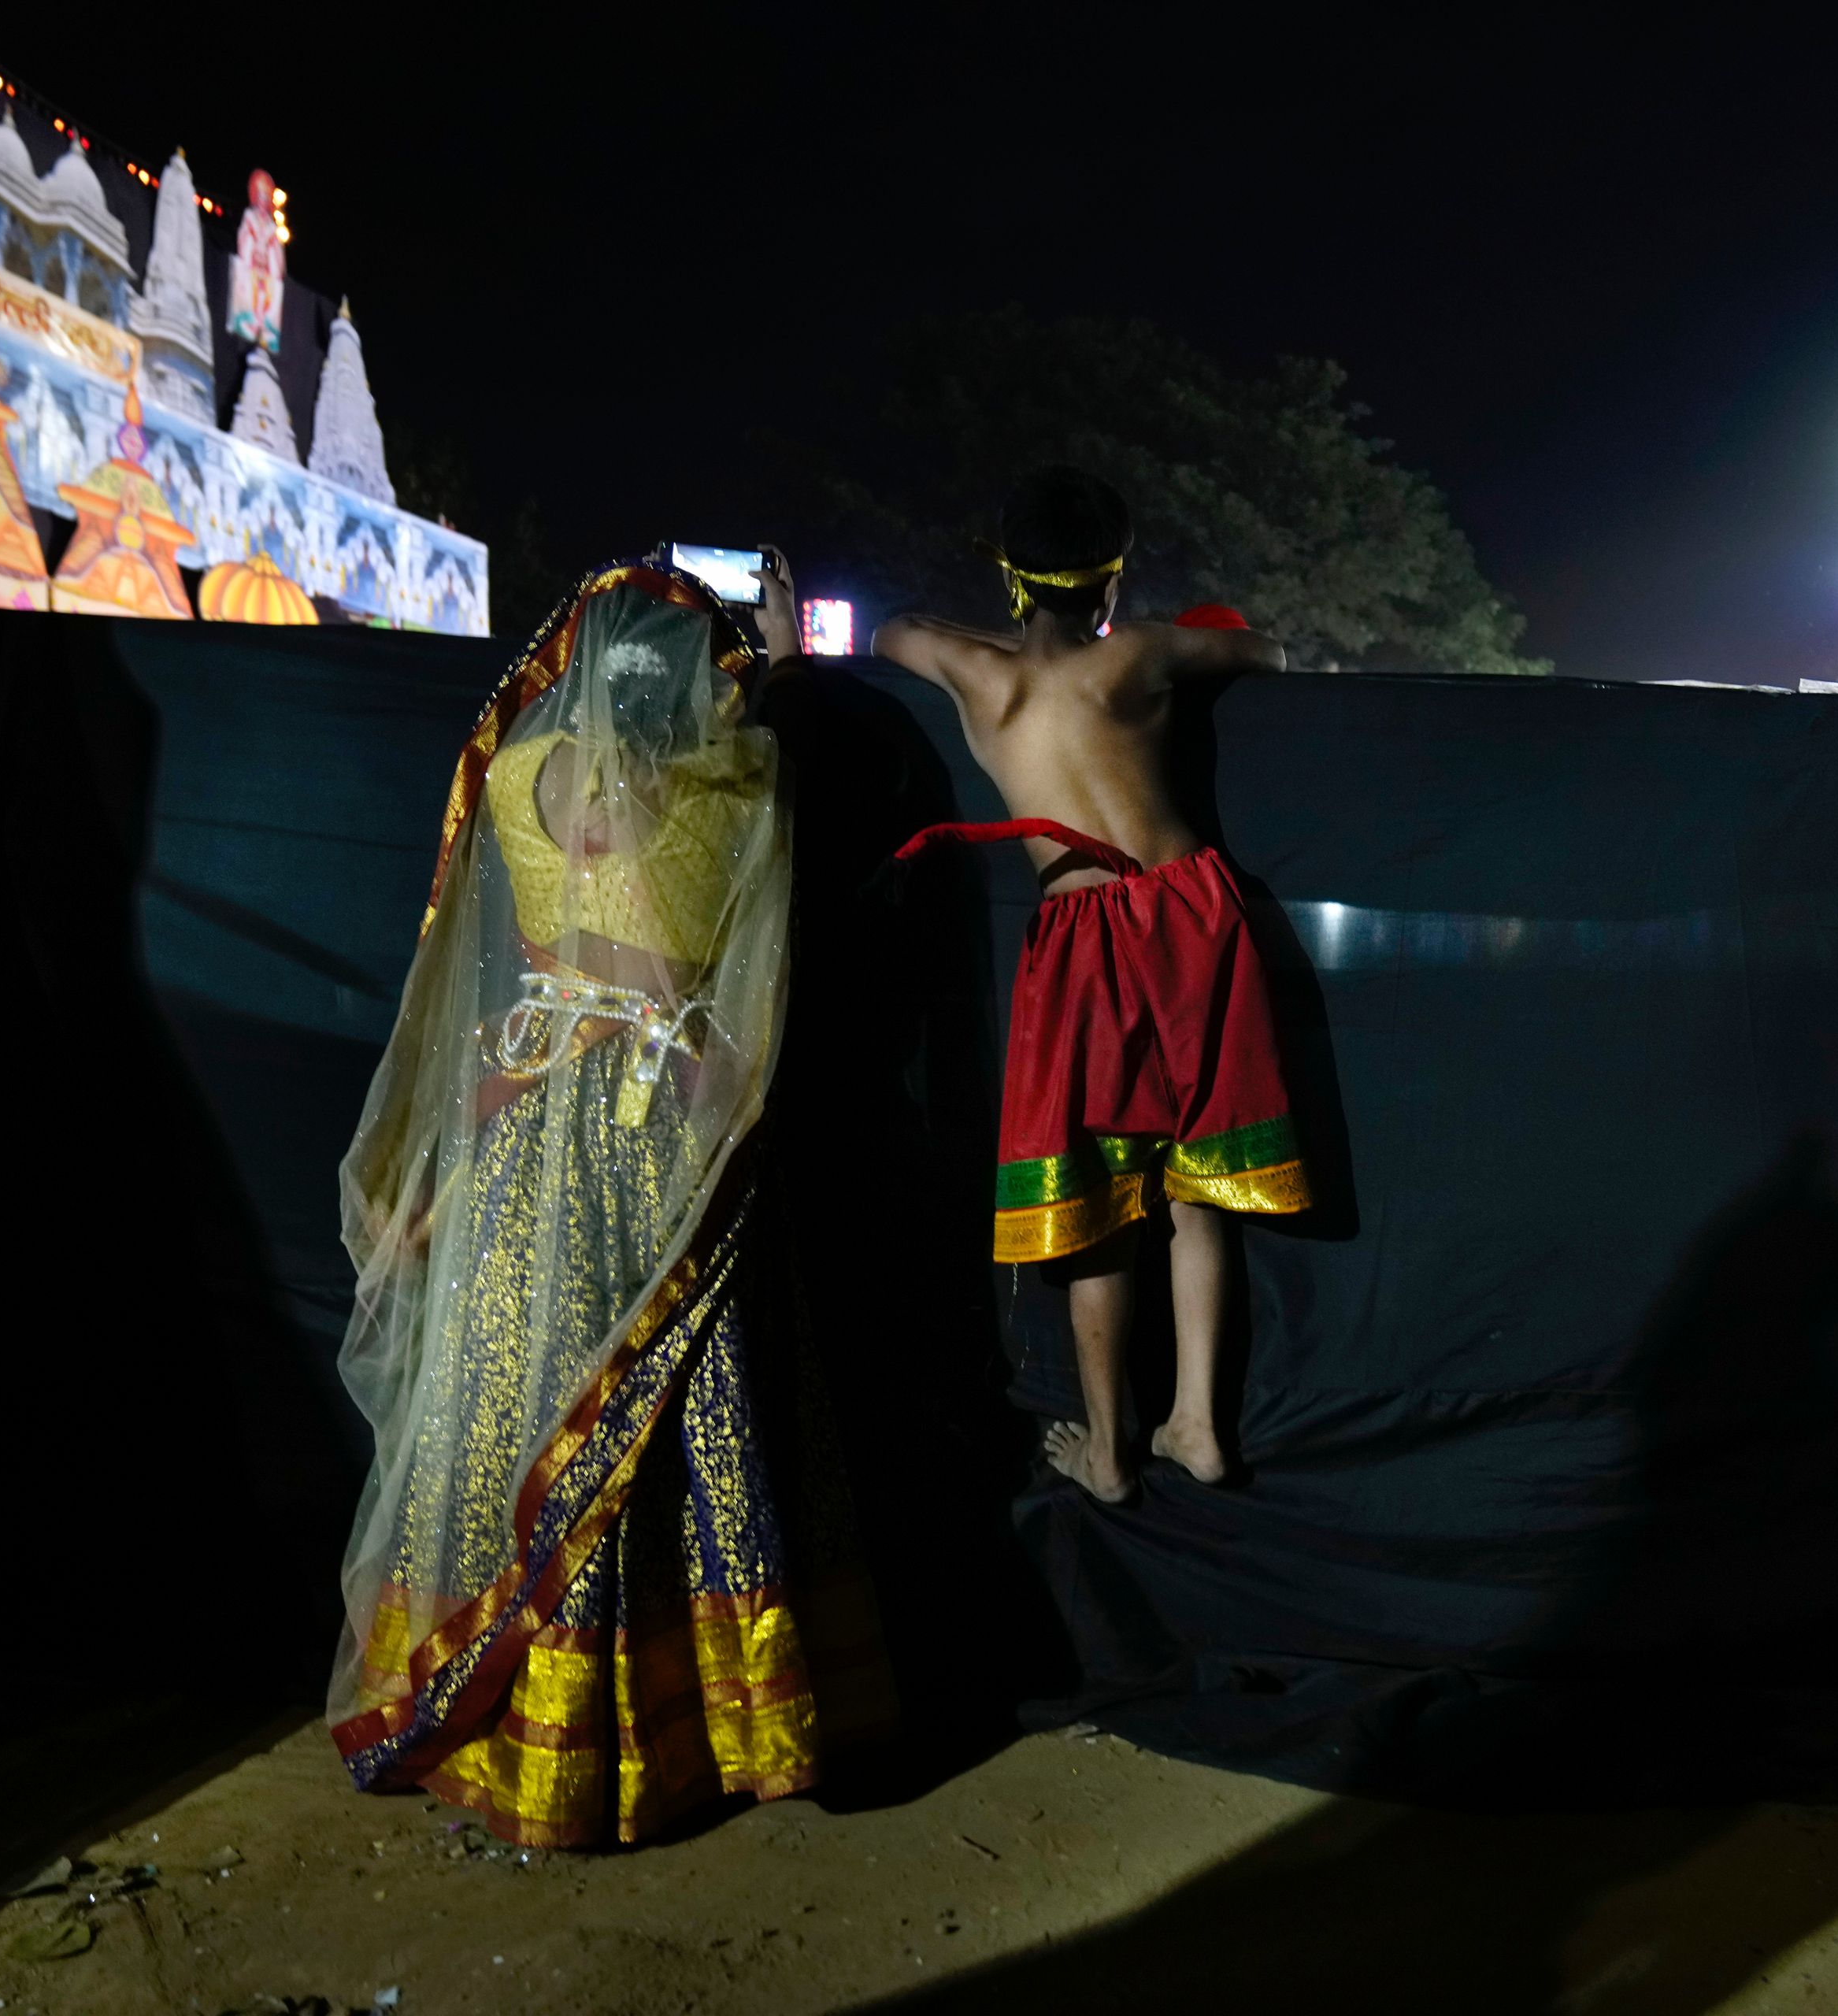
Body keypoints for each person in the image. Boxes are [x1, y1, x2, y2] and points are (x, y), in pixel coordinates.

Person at [328, 555, 893, 1847]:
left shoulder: (520, 778)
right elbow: (737, 982)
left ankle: (513, 1716)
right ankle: (699, 1724)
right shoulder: (736, 788)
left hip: (525, 1115)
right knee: (668, 1415)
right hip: (660, 1131)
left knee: (512, 1404)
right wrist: (776, 651)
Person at [875, 468, 1310, 1505]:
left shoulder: (980, 677)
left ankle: (1110, 1455)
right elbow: (1269, 651)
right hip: (1193, 911)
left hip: (1079, 935)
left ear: (1017, 578)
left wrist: (988, 619)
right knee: (1201, 1187)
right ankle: (1198, 1423)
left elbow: (895, 631)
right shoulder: (1146, 654)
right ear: (1108, 583)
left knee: (1094, 1206)